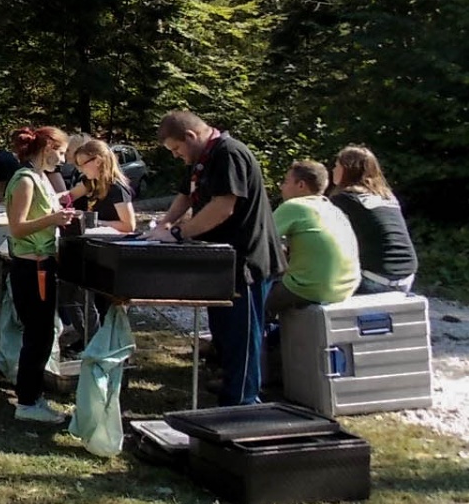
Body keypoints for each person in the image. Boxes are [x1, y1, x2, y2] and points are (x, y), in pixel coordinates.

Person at [153, 111, 284, 407]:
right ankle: (231, 389)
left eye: (176, 149)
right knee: (223, 334)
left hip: (246, 261)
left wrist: (178, 233)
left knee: (242, 338)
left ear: (191, 136)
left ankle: (243, 402)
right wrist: (162, 225)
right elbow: (186, 195)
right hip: (221, 263)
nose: (176, 156)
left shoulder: (229, 153)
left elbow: (223, 206)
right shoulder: (201, 158)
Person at [5, 126, 79, 423]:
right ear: (47, 148)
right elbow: (17, 227)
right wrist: (54, 219)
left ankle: (32, 397)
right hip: (31, 268)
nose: (62, 159)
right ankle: (27, 402)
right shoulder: (25, 179)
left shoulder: (40, 177)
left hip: (42, 264)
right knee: (38, 336)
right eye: (60, 152)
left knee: (44, 334)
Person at [268, 160, 361, 313]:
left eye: (285, 182)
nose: (281, 187)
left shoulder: (295, 206)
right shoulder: (332, 208)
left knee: (249, 300)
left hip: (311, 289)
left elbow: (260, 239)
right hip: (346, 288)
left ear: (301, 185)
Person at [329, 145, 418, 294]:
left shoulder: (344, 199)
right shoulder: (386, 196)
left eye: (337, 165)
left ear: (347, 169)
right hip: (406, 278)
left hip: (374, 279)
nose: (333, 170)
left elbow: (329, 240)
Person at [67, 138, 137, 233]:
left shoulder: (116, 188)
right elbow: (69, 196)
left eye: (82, 165)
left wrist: (95, 222)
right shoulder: (91, 181)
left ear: (98, 161)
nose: (80, 170)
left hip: (111, 239)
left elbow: (129, 226)